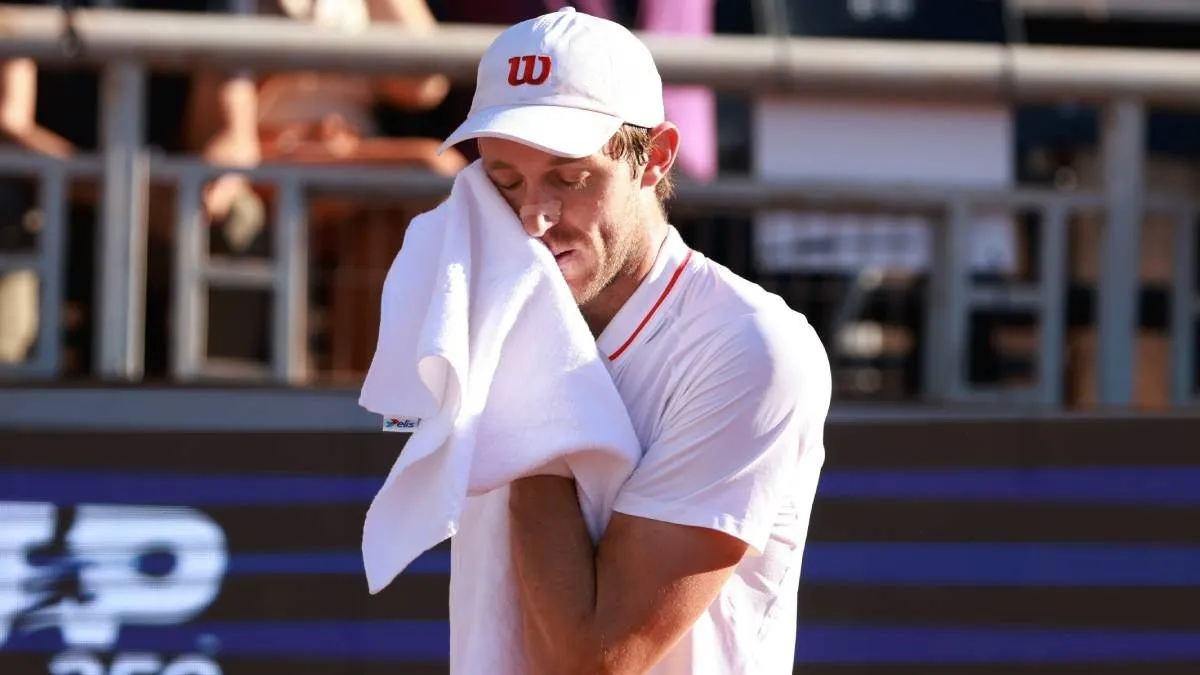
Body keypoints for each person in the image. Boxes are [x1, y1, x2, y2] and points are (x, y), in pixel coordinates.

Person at [435, 7, 831, 674]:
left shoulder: (751, 348)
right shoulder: (486, 316)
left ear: (656, 158)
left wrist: (526, 387)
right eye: (504, 180)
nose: (533, 216)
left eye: (569, 177)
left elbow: (592, 661)